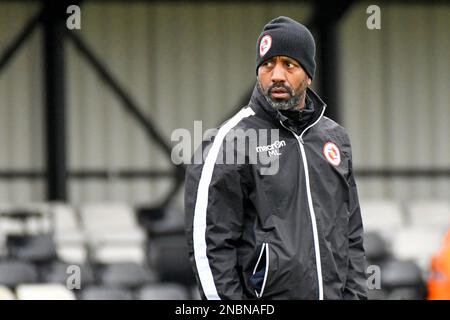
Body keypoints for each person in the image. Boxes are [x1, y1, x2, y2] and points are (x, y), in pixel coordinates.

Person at [185, 16, 367, 300]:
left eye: (289, 65)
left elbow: (352, 234)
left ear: (308, 74)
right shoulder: (229, 142)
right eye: (268, 64)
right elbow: (209, 246)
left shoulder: (335, 139)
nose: (276, 75)